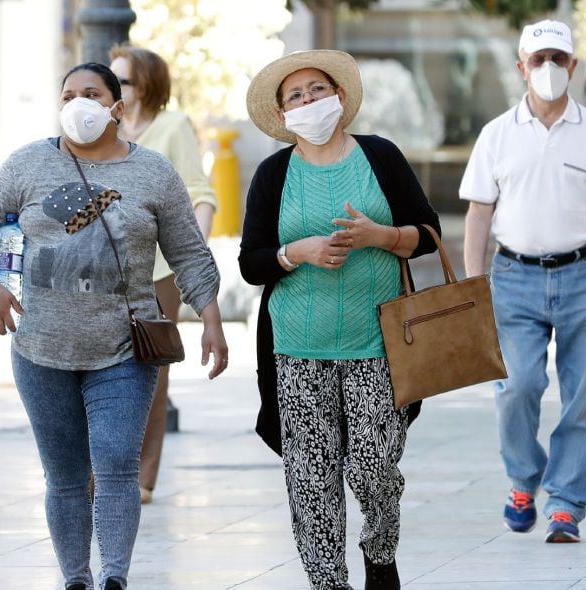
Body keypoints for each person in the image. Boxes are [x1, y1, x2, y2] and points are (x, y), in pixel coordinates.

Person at [0, 62, 228, 590]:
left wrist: (212, 323)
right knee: (63, 478)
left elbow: (190, 255)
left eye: (91, 93)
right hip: (41, 350)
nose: (78, 103)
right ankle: (76, 579)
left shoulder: (153, 173)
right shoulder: (27, 165)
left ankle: (114, 577)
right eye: (68, 95)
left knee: (114, 464)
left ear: (117, 108)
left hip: (124, 349)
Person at [239, 50, 440, 590]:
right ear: (283, 116)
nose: (309, 101)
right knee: (311, 478)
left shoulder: (380, 157)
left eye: (317, 90)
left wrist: (383, 237)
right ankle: (328, 582)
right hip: (296, 348)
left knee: (375, 469)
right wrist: (295, 252)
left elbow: (427, 231)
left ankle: (380, 551)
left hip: (378, 344)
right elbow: (251, 262)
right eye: (295, 96)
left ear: (341, 98)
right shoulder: (273, 174)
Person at [460, 19, 584, 544]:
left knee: (583, 395)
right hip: (513, 277)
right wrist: (472, 287)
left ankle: (566, 502)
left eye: (559, 59)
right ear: (521, 68)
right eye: (539, 60)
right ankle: (522, 479)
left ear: (573, 66)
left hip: (581, 274)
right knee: (517, 387)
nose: (549, 69)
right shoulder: (497, 135)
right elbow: (478, 216)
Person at [109, 44, 217, 505]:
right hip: (101, 272)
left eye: (123, 81)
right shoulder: (104, 129)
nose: (114, 90)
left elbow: (200, 192)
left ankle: (141, 477)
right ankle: (105, 469)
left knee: (150, 373)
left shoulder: (172, 128)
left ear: (146, 84)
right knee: (103, 368)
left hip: (158, 273)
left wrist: (190, 258)